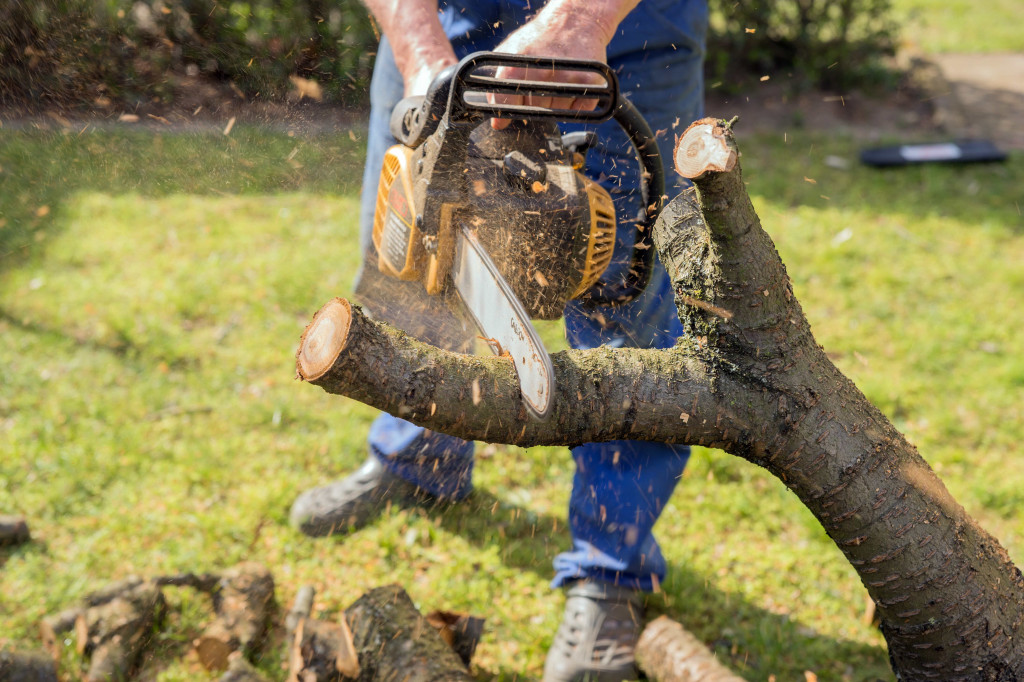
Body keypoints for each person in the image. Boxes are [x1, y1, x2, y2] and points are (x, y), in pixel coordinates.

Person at [290, 1, 707, 679]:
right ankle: (417, 462)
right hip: (445, 23)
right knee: (414, 261)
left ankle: (613, 566)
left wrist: (581, 22)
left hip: (629, 25)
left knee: (623, 301)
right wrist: (419, 50)